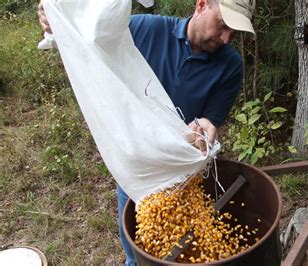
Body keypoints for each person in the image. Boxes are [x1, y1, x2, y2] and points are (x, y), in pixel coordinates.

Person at [37, 0, 256, 264]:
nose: (225, 38)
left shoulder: (230, 65)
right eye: (223, 25)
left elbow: (210, 120)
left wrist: (204, 129)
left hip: (184, 173)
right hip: (139, 168)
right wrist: (58, 17)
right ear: (201, 5)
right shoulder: (145, 30)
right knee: (140, 248)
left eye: (234, 33)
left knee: (191, 245)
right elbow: (91, 36)